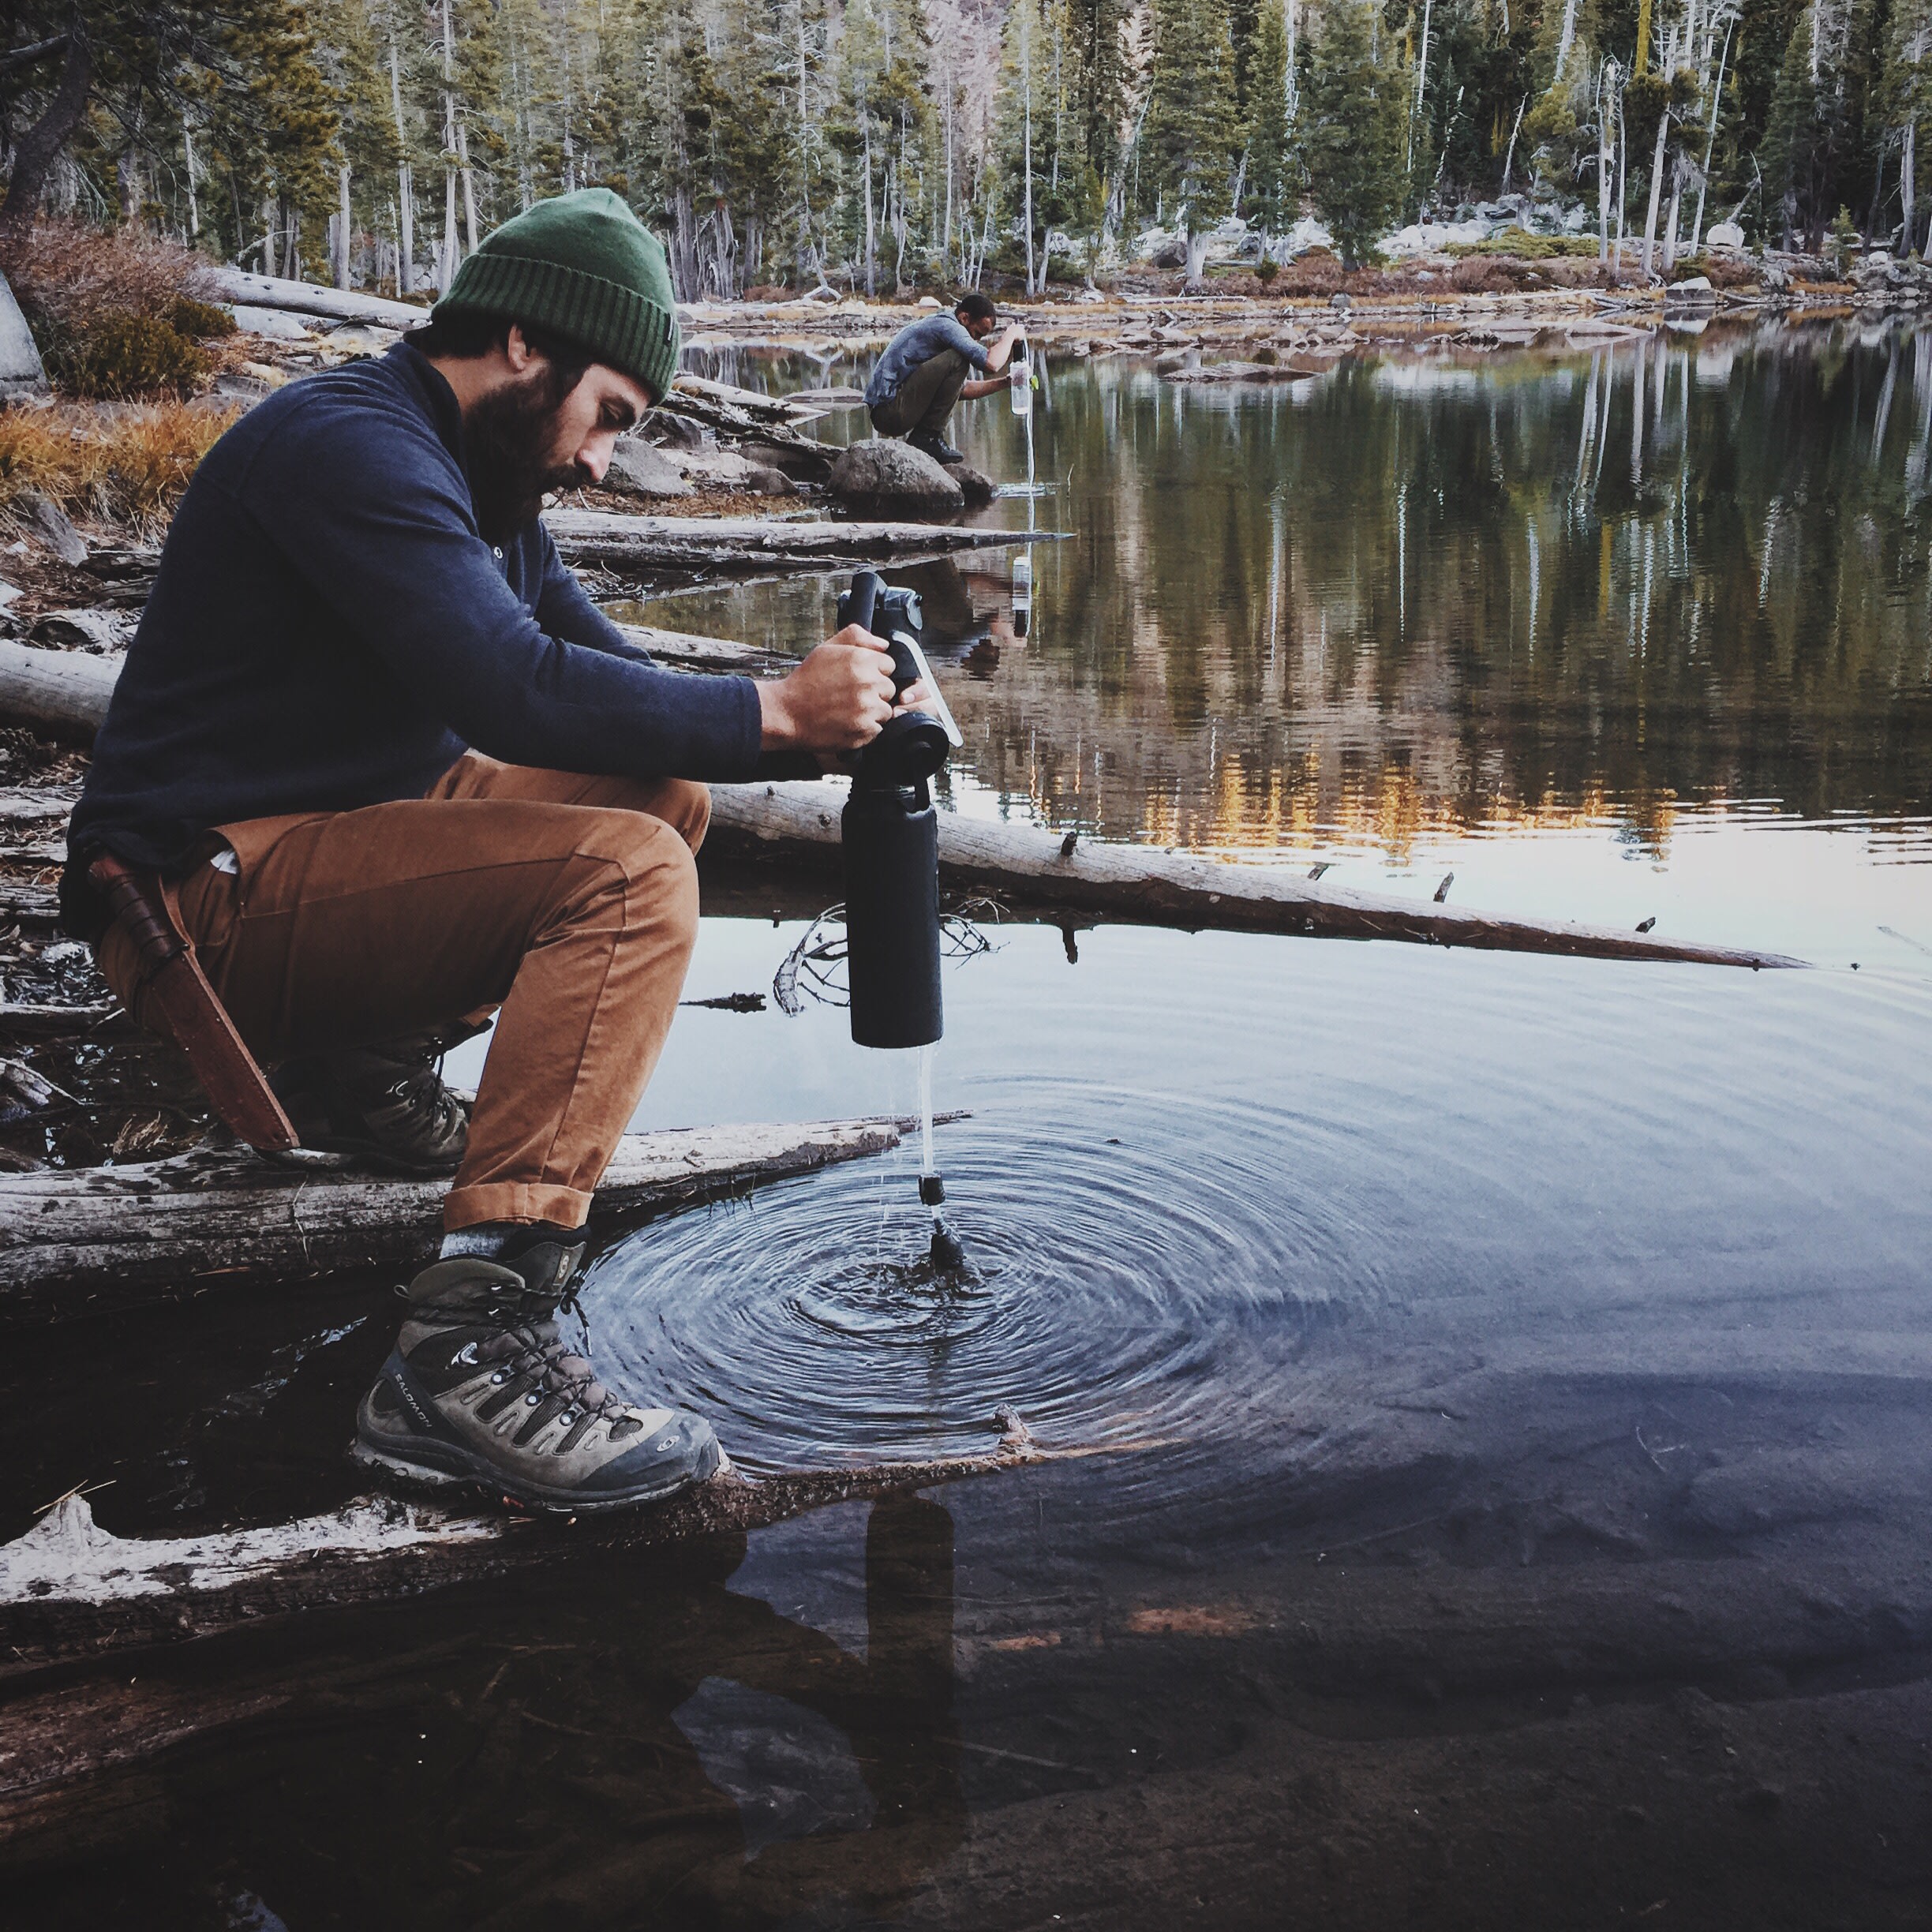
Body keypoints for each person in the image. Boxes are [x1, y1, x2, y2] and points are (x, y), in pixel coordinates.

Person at [62, 189, 930, 1515]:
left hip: (304, 856)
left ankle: (360, 1071)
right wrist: (773, 706)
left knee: (654, 806)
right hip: (191, 905)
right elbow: (508, 686)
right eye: (611, 417)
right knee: (625, 873)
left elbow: (607, 681)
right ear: (526, 346)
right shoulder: (348, 445)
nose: (600, 459)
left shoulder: (487, 480)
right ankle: (464, 1350)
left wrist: (836, 724)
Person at [863, 291, 1024, 466]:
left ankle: (928, 438)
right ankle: (927, 438)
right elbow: (991, 364)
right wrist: (1010, 335)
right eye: (977, 334)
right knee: (959, 359)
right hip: (889, 411)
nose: (976, 340)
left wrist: (1006, 382)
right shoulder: (948, 326)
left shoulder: (944, 329)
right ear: (964, 318)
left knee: (958, 360)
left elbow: (960, 390)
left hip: (890, 411)